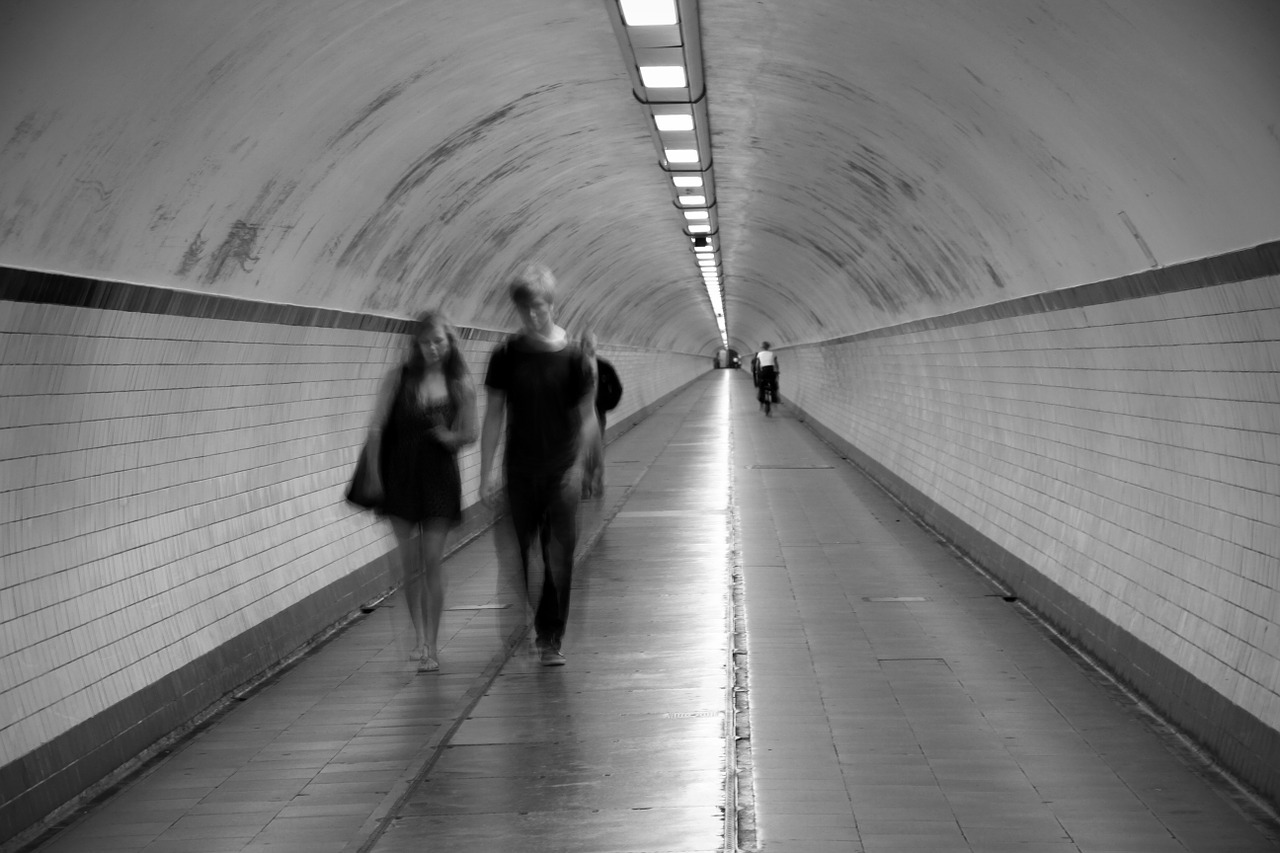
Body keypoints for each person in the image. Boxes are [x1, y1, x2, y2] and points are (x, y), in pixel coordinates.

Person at [480, 266, 598, 667]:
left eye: (540, 307)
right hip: (520, 470)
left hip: (562, 471)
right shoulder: (506, 357)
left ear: (552, 304)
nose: (533, 316)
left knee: (559, 556)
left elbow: (587, 417)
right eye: (525, 309)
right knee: (521, 555)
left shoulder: (574, 357)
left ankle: (551, 637)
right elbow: (494, 415)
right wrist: (485, 474)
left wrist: (585, 466)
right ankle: (539, 622)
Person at [363, 310, 477, 673]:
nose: (432, 348)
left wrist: (451, 437)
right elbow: (377, 428)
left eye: (439, 341)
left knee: (432, 559)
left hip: (440, 477)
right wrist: (374, 475)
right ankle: (419, 638)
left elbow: (471, 432)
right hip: (400, 477)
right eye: (426, 342)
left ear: (449, 343)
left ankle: (433, 643)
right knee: (410, 564)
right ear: (416, 345)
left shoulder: (459, 382)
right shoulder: (398, 380)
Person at [580, 332, 622, 498]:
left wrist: (606, 404)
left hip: (598, 413)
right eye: (585, 343)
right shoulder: (574, 365)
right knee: (581, 449)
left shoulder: (604, 367)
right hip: (580, 415)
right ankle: (584, 484)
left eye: (590, 343)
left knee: (596, 448)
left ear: (595, 345)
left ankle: (596, 480)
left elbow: (617, 388)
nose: (587, 347)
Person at [756, 341, 779, 415]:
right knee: (774, 386)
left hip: (763, 372)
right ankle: (775, 400)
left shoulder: (759, 354)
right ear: (768, 347)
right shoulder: (772, 353)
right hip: (771, 372)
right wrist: (777, 372)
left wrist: (758, 372)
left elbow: (757, 365)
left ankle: (761, 404)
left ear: (762, 347)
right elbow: (776, 364)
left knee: (761, 387)